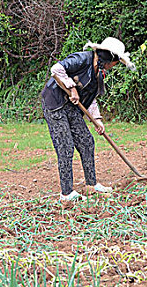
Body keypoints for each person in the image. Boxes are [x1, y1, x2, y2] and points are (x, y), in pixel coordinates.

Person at [41, 37, 136, 201]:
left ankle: (91, 185)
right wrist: (71, 87)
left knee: (86, 141)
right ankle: (67, 194)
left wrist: (97, 120)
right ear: (108, 58)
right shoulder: (82, 59)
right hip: (55, 103)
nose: (115, 65)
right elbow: (56, 69)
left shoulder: (99, 74)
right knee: (65, 146)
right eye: (115, 62)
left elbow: (91, 99)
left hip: (72, 107)